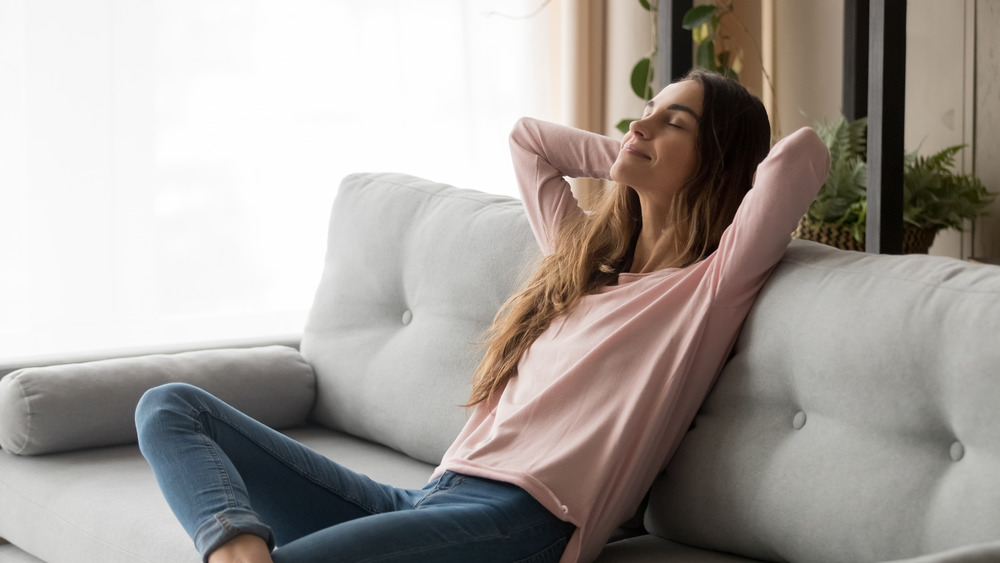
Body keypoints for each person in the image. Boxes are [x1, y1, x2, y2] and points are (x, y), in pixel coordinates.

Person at [135, 68, 830, 563]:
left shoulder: (708, 287)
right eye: (644, 109)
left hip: (524, 523)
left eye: (673, 121)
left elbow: (803, 156)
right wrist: (625, 155)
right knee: (169, 407)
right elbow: (529, 141)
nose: (640, 121)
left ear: (716, 160)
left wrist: (663, 161)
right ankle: (235, 551)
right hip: (430, 498)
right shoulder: (582, 258)